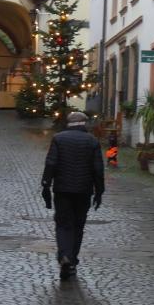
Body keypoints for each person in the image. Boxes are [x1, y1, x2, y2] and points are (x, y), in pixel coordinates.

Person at [41, 111, 105, 280]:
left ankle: (65, 256)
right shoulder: (92, 141)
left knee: (62, 225)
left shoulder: (58, 139)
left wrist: (46, 184)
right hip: (83, 191)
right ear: (84, 124)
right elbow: (98, 169)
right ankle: (72, 260)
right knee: (78, 226)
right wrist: (99, 191)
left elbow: (51, 163)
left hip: (62, 190)